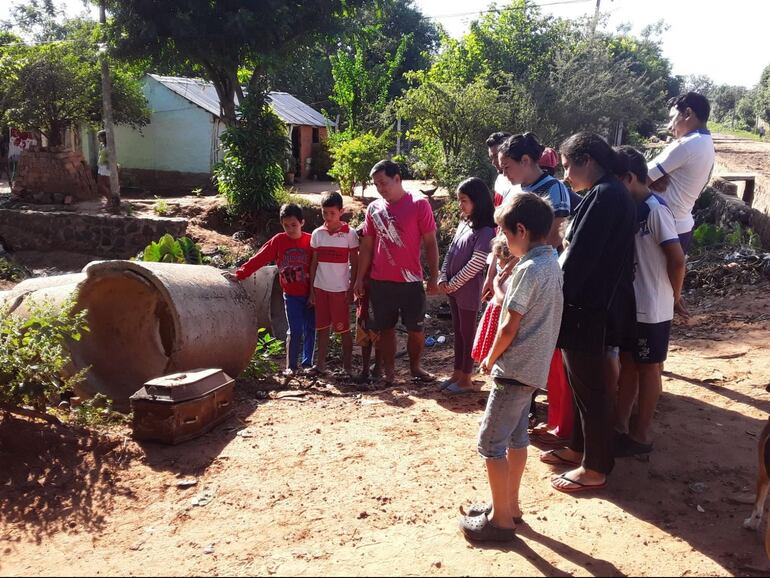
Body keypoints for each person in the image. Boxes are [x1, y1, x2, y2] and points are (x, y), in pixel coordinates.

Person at [458, 193, 563, 542]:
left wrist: (489, 358)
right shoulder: (551, 262)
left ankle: (501, 521)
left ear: (521, 229)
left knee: (490, 443)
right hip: (533, 369)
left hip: (514, 369)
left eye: (505, 233)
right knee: (516, 438)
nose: (502, 240)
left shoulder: (529, 269)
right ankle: (509, 506)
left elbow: (509, 325)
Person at [544, 132, 636, 494]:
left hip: (586, 306)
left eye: (568, 166)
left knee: (592, 388)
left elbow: (579, 259)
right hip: (587, 304)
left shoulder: (606, 195)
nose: (566, 175)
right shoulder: (606, 193)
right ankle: (580, 448)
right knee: (580, 384)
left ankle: (596, 466)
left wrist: (552, 296)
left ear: (587, 160)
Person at [613, 146, 686, 457]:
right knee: (629, 363)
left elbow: (677, 259)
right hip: (632, 304)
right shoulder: (632, 209)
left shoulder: (656, 210)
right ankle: (619, 425)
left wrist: (674, 296)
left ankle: (641, 434)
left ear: (629, 178)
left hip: (652, 307)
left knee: (648, 368)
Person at [354, 160, 440, 386]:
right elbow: (367, 246)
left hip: (411, 280)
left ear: (397, 179)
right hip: (380, 280)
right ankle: (389, 374)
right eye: (376, 185)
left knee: (416, 329)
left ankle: (415, 368)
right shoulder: (374, 209)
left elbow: (431, 242)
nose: (381, 188)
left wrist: (434, 275)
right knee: (385, 329)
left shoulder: (419, 204)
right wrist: (359, 278)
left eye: (383, 183)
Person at [226, 203, 314, 376]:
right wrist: (241, 273)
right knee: (295, 330)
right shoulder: (279, 241)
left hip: (311, 294)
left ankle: (307, 364)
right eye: (286, 225)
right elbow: (260, 258)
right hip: (291, 295)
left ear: (302, 222)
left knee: (310, 328)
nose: (290, 229)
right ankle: (291, 366)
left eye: (294, 225)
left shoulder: (311, 240)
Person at [438, 177, 496, 394]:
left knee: (467, 331)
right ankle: (457, 372)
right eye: (459, 200)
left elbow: (477, 262)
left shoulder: (486, 230)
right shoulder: (464, 223)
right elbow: (451, 252)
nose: (460, 205)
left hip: (468, 291)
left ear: (477, 201)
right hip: (453, 289)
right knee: (458, 331)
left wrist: (454, 283)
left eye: (464, 200)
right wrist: (443, 277)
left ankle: (466, 378)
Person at [646, 92, 715, 254]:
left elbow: (638, 180)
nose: (670, 126)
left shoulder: (686, 145)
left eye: (673, 117)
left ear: (688, 113)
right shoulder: (705, 142)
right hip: (680, 226)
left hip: (664, 228)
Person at [309, 192, 359, 377]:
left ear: (341, 212)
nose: (328, 217)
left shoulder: (350, 234)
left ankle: (347, 368)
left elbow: (355, 263)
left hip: (340, 291)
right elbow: (313, 263)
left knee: (343, 329)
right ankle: (320, 365)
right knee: (322, 329)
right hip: (320, 289)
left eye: (332, 213)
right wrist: (312, 291)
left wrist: (351, 288)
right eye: (325, 213)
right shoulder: (317, 234)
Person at [472, 236, 513, 366]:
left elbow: (505, 302)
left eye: (499, 258)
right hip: (495, 311)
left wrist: (495, 285)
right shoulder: (503, 271)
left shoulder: (514, 276)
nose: (498, 263)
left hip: (502, 315)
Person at [353, 224, 382, 388]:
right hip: (363, 300)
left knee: (377, 335)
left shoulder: (379, 255)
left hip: (377, 297)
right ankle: (365, 369)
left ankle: (377, 368)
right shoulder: (359, 256)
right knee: (364, 336)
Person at [486, 132, 520, 207]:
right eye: (491, 158)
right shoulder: (499, 179)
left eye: (496, 156)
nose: (493, 162)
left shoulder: (523, 184)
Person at [96, 130, 111, 199]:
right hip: (101, 166)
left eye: (100, 137)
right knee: (100, 184)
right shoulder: (102, 145)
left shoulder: (109, 146)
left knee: (106, 184)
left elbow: (111, 156)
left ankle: (110, 199)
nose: (98, 138)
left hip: (106, 166)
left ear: (104, 137)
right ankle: (109, 199)